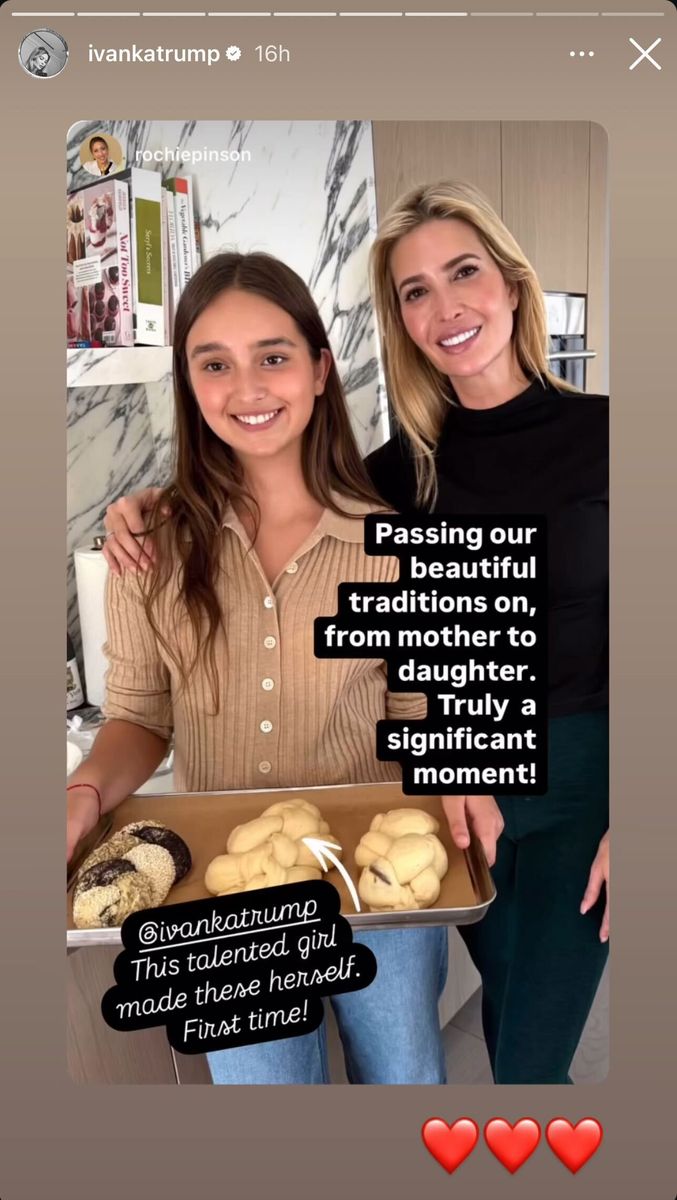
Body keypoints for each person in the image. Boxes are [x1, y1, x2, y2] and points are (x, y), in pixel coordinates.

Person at [106, 180, 609, 1085]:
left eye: (463, 273)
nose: (444, 307)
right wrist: (144, 502)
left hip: (567, 781)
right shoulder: (397, 481)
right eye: (414, 291)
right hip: (434, 802)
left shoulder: (608, 435)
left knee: (512, 1061)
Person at [67, 249, 503, 1085]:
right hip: (230, 904)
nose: (248, 389)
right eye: (214, 365)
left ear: (317, 369)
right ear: (189, 386)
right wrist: (85, 790)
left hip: (378, 883)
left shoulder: (389, 541)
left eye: (272, 357)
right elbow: (139, 716)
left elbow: (418, 711)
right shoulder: (147, 547)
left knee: (403, 1080)